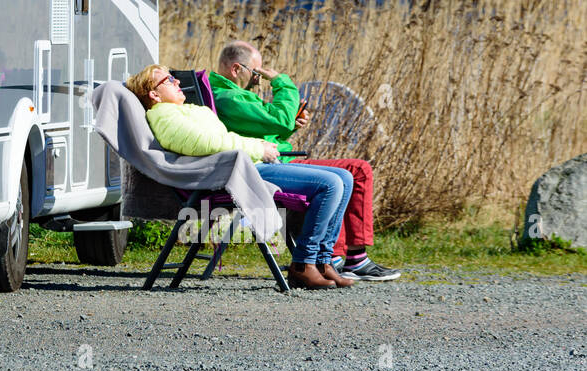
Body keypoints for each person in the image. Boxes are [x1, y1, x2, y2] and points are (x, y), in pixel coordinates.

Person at [125, 64, 356, 289]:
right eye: (168, 80)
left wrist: (261, 145)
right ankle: (304, 263)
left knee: (345, 178)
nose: (177, 81)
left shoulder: (186, 111)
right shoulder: (164, 116)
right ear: (154, 94)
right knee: (331, 184)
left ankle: (323, 261)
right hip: (238, 173)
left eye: (174, 77)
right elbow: (208, 144)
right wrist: (258, 148)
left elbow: (223, 139)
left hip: (244, 166)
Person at [209, 40, 401, 281]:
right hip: (263, 166)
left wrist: (291, 126)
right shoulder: (229, 98)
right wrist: (282, 83)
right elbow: (277, 120)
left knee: (357, 170)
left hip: (274, 160)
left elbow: (266, 132)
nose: (259, 79)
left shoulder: (237, 95)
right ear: (237, 69)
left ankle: (353, 258)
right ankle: (330, 259)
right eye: (256, 73)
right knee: (336, 180)